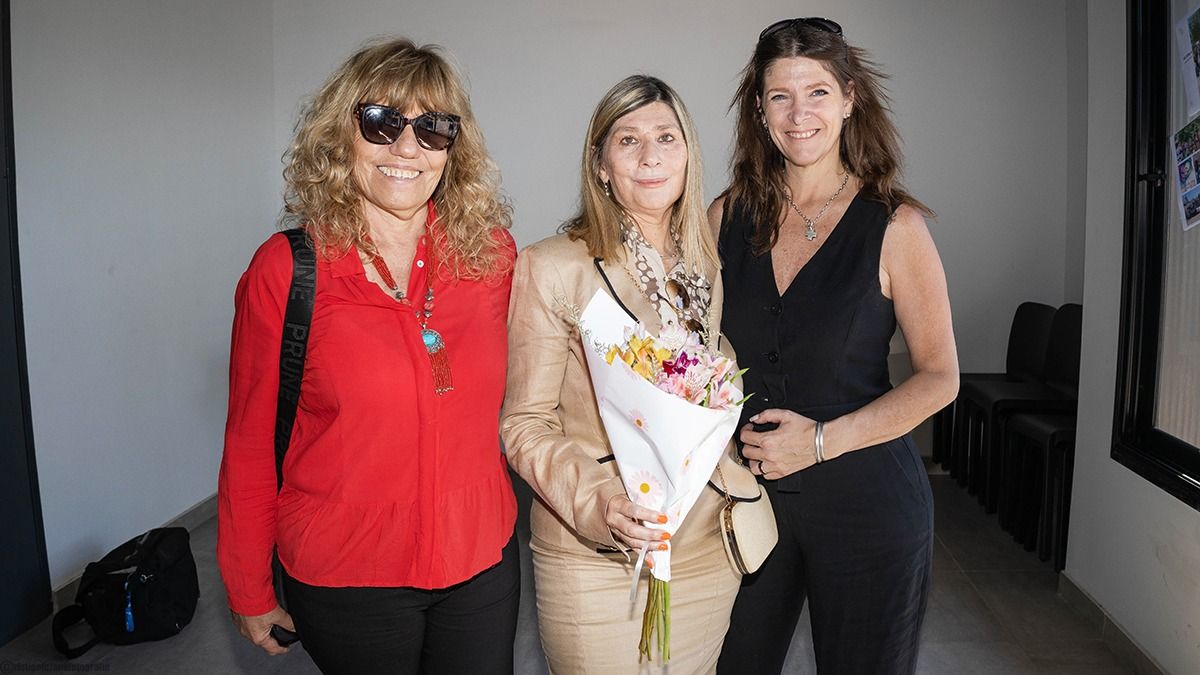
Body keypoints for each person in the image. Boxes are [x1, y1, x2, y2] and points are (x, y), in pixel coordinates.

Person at [216, 38, 519, 675]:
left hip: (480, 561)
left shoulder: (492, 258)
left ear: (452, 148)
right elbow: (248, 440)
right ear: (340, 136)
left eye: (433, 128)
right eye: (381, 122)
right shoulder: (287, 270)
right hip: (348, 572)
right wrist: (248, 585)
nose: (407, 148)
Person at [711, 18, 959, 675]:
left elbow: (939, 377)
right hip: (749, 499)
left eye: (817, 92)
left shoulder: (896, 225)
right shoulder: (724, 216)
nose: (799, 115)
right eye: (780, 96)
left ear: (850, 98)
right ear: (759, 111)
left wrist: (819, 441)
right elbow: (689, 347)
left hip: (867, 502)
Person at [500, 75, 761, 673]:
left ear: (688, 153)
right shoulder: (552, 266)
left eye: (667, 137)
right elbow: (524, 424)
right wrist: (600, 502)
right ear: (601, 165)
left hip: (702, 549)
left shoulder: (704, 265)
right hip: (594, 552)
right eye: (628, 140)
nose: (650, 156)